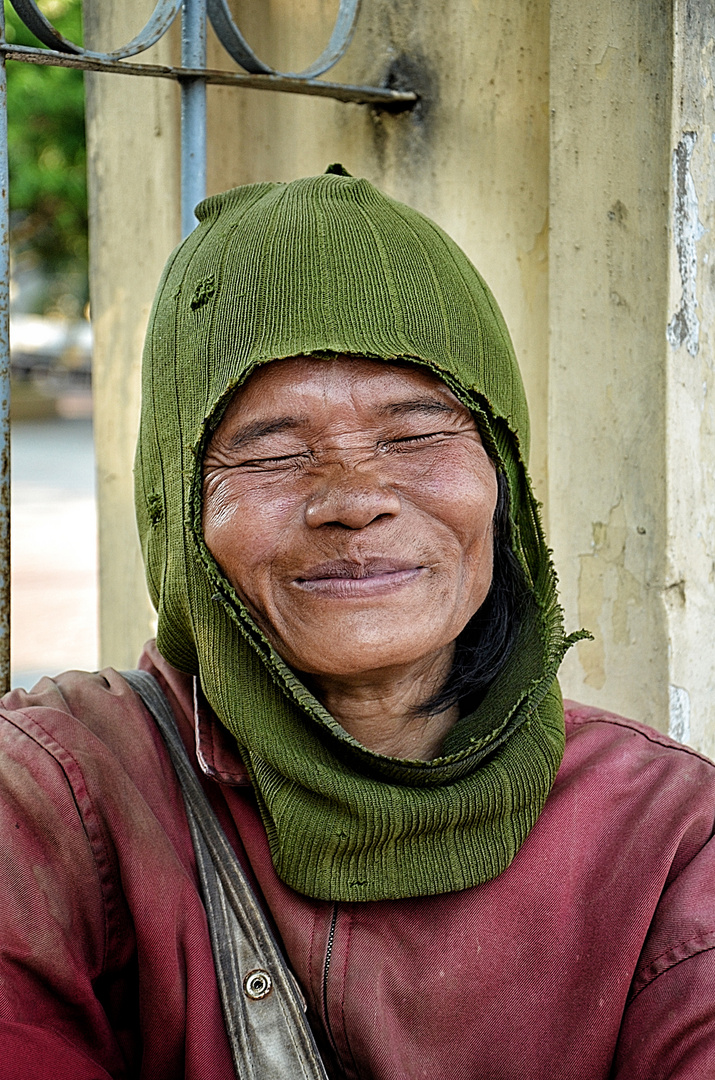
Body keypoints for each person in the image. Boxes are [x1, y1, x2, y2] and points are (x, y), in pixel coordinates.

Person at [0, 168, 714, 1080]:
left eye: (416, 435)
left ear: (502, 484)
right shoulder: (54, 800)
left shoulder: (668, 838)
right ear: (175, 511)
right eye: (273, 453)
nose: (353, 501)